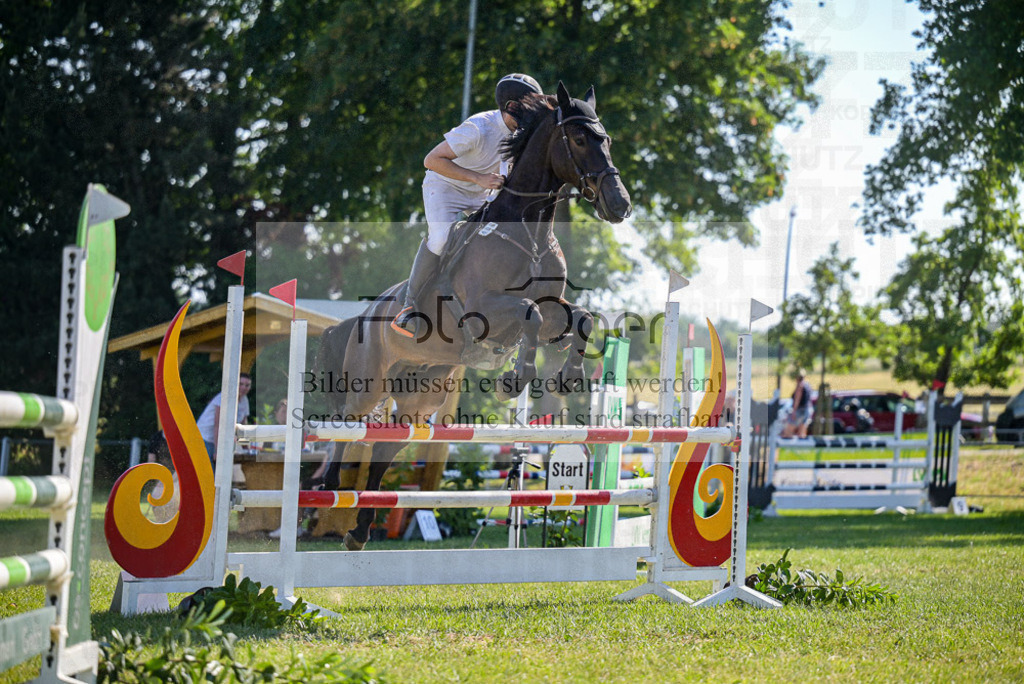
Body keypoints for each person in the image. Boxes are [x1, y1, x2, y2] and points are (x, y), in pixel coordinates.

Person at [391, 73, 544, 338]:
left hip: (482, 194)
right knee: (440, 238)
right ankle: (409, 306)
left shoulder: (519, 134)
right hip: (445, 188)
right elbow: (431, 160)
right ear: (511, 107)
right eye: (529, 107)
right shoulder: (478, 127)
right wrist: (478, 178)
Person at [196, 373, 252, 463]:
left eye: (247, 385)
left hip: (221, 440)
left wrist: (247, 450)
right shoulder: (224, 397)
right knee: (210, 472)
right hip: (205, 438)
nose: (244, 388)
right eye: (240, 384)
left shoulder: (244, 400)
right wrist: (218, 451)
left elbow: (243, 426)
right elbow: (218, 425)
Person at [782, 370, 813, 438]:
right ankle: (802, 447)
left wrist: (794, 411)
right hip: (807, 410)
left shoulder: (800, 386)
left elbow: (797, 400)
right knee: (802, 433)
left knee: (788, 431)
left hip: (799, 411)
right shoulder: (807, 385)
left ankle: (786, 446)